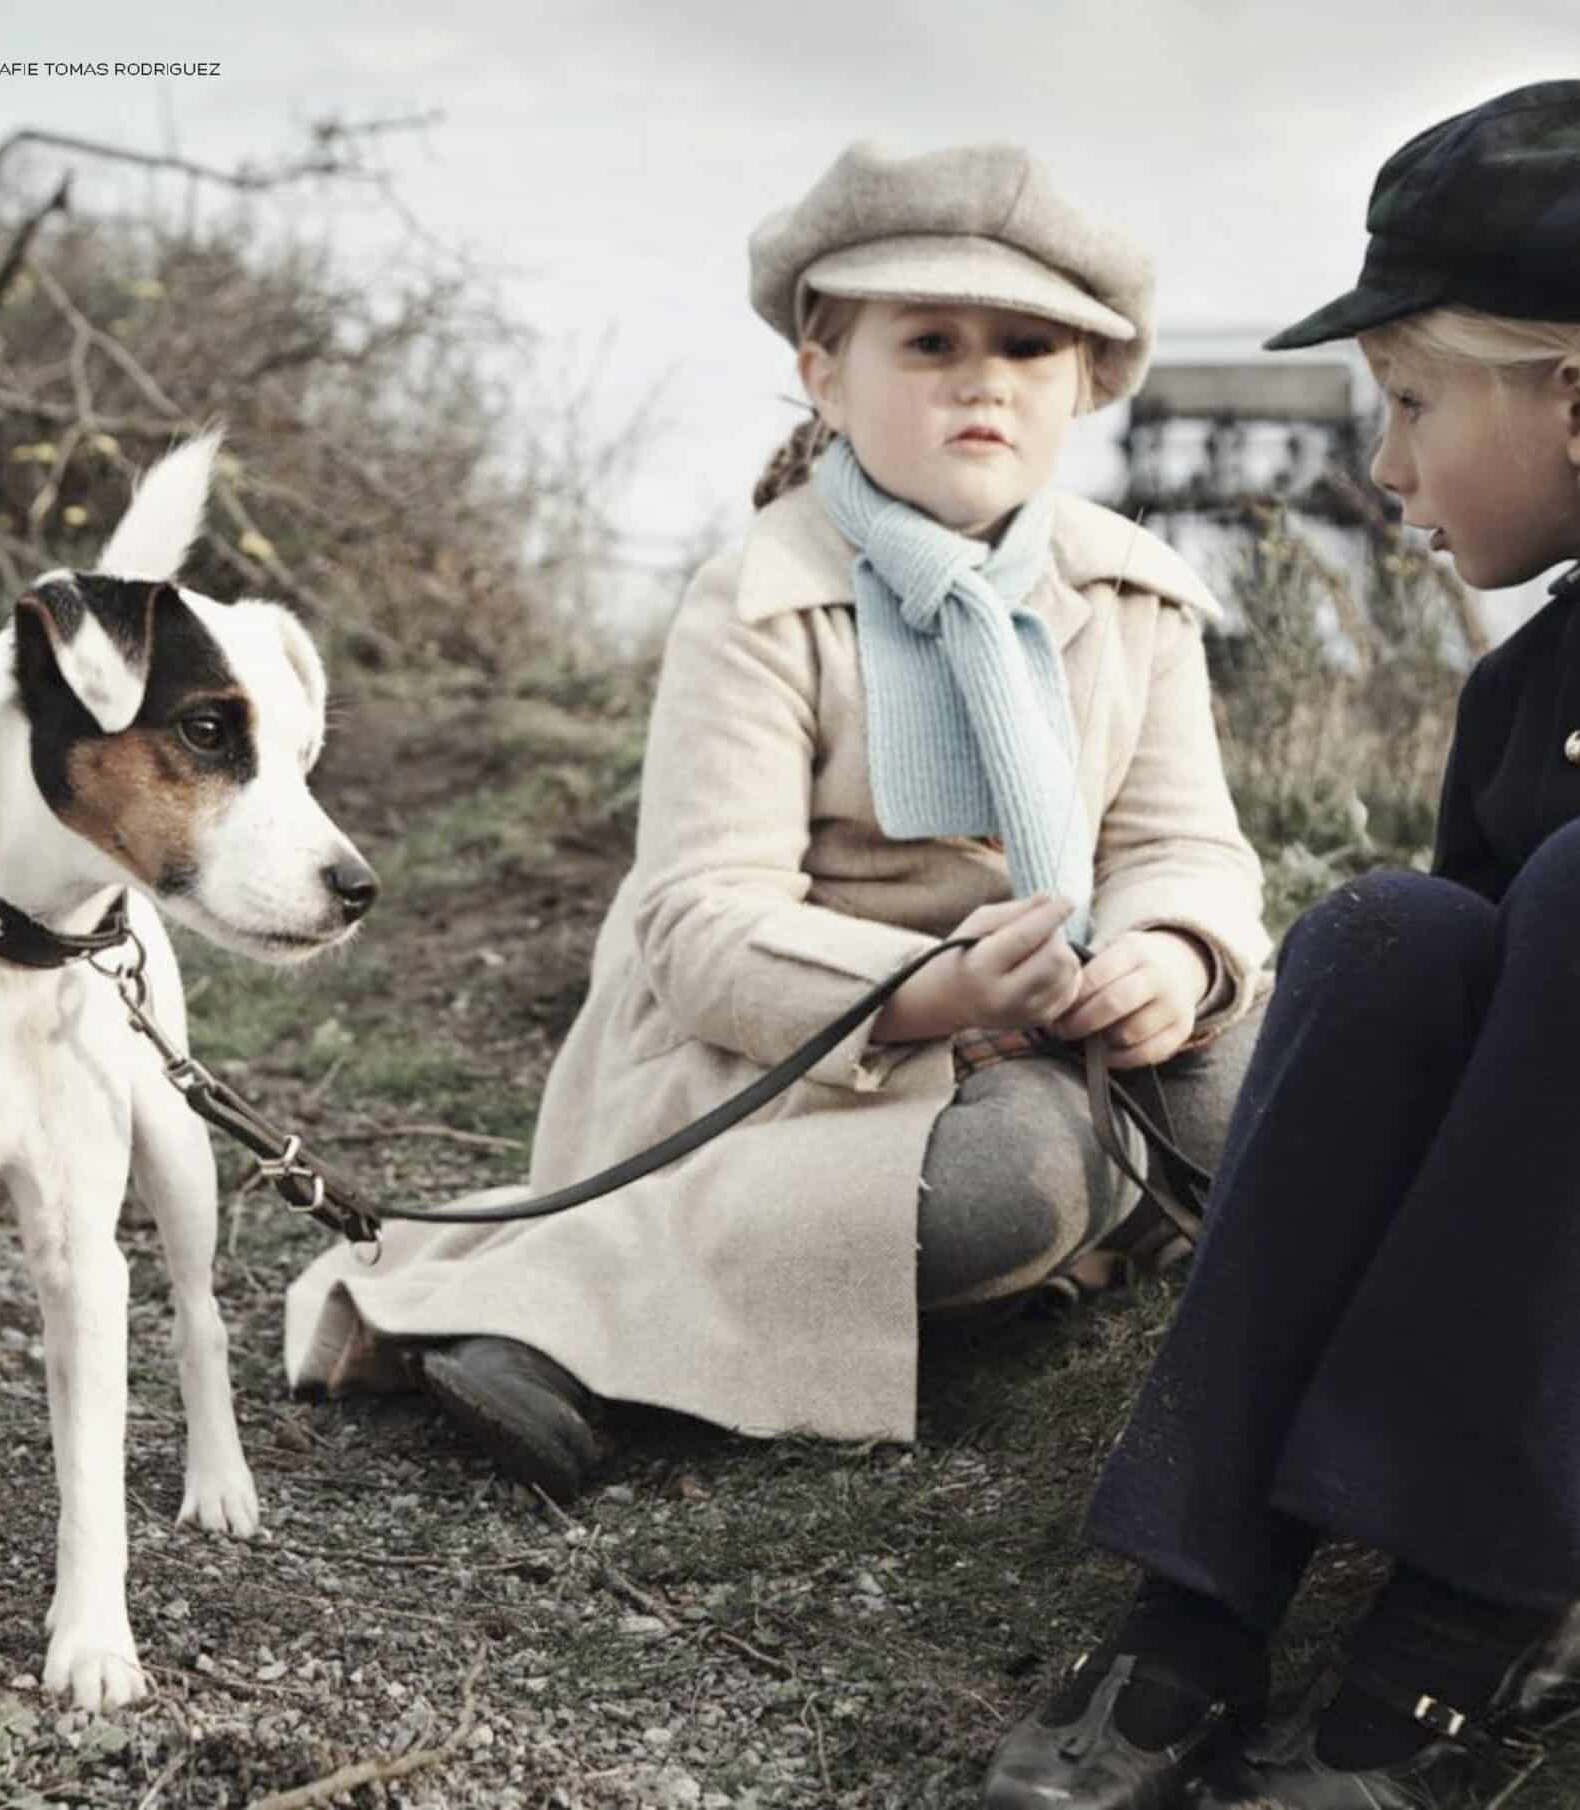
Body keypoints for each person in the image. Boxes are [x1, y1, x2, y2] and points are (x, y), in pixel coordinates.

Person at [981, 78, 1580, 1810]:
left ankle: (1488, 1611)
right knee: (1387, 930)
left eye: (1410, 401)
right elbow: (1457, 1084)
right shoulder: (1527, 686)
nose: (1384, 468)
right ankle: (1197, 1596)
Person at [282, 141, 1271, 1500]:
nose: (982, 375)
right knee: (1021, 1175)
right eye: (930, 340)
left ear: (1087, 383)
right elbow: (702, 925)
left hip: (1064, 1017)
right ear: (826, 372)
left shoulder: (1133, 596)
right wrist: (936, 989)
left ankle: (1063, 1221)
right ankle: (563, 1305)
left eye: (1029, 347)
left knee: (1275, 1063)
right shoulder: (761, 598)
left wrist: (1166, 956)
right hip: (796, 1059)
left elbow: (1182, 845)